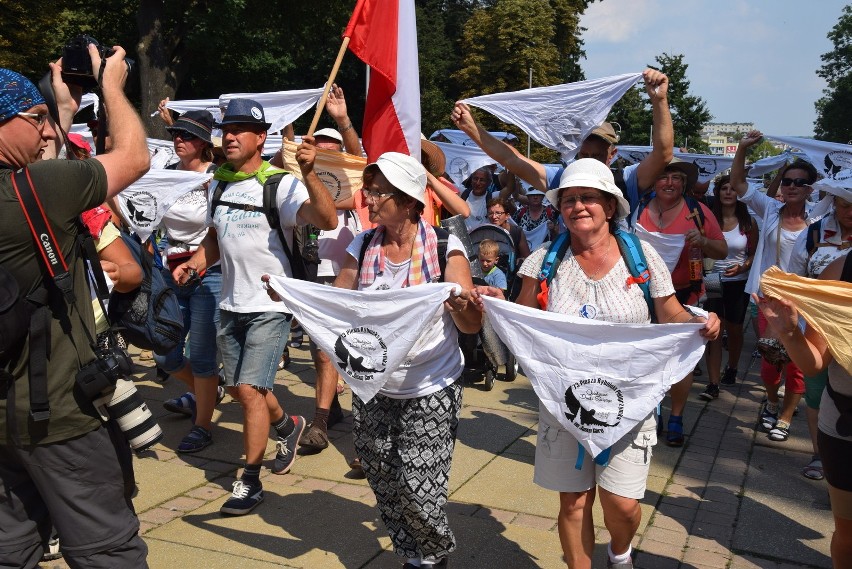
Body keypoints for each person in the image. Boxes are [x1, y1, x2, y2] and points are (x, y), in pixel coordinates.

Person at [512, 158, 718, 569]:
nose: (578, 206)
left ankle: (620, 553)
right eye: (569, 199)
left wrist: (700, 321)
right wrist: (495, 304)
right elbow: (521, 319)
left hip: (629, 400)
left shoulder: (643, 258)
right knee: (573, 503)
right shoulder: (542, 261)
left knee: (621, 507)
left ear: (610, 206)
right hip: (565, 401)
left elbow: (670, 313)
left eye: (589, 197)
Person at [0, 45, 150, 567]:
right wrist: (112, 87)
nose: (46, 131)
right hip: (58, 413)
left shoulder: (31, 189)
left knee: (10, 547)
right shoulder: (38, 189)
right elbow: (135, 157)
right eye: (35, 118)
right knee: (108, 548)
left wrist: (60, 109)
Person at [172, 98, 337, 516]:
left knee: (248, 390)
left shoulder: (279, 183)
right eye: (227, 129)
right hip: (230, 302)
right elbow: (215, 238)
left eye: (240, 129)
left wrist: (311, 172)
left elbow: (327, 219)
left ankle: (249, 480)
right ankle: (287, 424)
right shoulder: (220, 183)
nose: (229, 136)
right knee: (239, 388)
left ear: (261, 138)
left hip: (270, 303)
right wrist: (195, 263)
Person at [332, 152, 481, 569]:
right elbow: (338, 306)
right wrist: (293, 298)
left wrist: (463, 305)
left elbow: (469, 327)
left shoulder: (446, 247)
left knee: (418, 483)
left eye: (381, 191)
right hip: (374, 385)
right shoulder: (362, 245)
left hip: (431, 384)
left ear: (411, 199)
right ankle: (414, 554)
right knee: (380, 470)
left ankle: (432, 555)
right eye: (370, 188)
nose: (370, 197)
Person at [451, 68, 674, 213]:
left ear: (612, 154)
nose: (589, 161)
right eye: (583, 155)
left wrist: (659, 101)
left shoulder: (627, 180)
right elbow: (512, 159)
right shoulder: (561, 177)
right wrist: (472, 129)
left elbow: (663, 153)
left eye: (596, 156)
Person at [757, 254, 852, 568]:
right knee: (848, 537)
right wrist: (789, 332)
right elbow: (813, 364)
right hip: (844, 425)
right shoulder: (841, 269)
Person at [631, 159, 727, 445]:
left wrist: (703, 241)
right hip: (641, 295)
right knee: (644, 358)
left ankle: (676, 416)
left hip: (684, 295)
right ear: (653, 181)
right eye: (663, 177)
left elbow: (721, 250)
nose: (669, 183)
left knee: (681, 361)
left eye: (676, 177)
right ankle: (648, 411)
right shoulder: (638, 209)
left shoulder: (697, 212)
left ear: (684, 184)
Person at [732, 130, 818, 442]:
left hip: (804, 304)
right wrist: (742, 148)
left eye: (799, 182)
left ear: (811, 189)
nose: (792, 186)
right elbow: (739, 183)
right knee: (770, 361)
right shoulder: (769, 209)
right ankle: (771, 399)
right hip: (766, 299)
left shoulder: (820, 218)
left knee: (797, 366)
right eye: (787, 181)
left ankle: (784, 417)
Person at [150, 109, 226, 453]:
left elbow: (220, 231)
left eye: (187, 135)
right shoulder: (166, 174)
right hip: (171, 266)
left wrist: (197, 262)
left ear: (204, 143)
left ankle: (203, 424)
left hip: (209, 270)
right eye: (175, 134)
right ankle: (206, 390)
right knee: (164, 350)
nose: (178, 140)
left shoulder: (217, 177)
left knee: (205, 354)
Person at [787, 182, 852, 480]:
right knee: (815, 391)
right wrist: (790, 326)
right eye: (845, 205)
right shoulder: (814, 234)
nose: (850, 212)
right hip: (817, 329)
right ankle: (819, 454)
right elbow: (796, 277)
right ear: (834, 204)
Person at [700, 175, 758, 400]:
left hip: (737, 282)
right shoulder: (708, 219)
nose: (728, 192)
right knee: (714, 329)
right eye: (724, 188)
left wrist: (744, 267)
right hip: (713, 279)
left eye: (733, 189)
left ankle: (732, 367)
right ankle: (713, 383)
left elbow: (754, 252)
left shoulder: (748, 222)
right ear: (718, 192)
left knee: (734, 329)